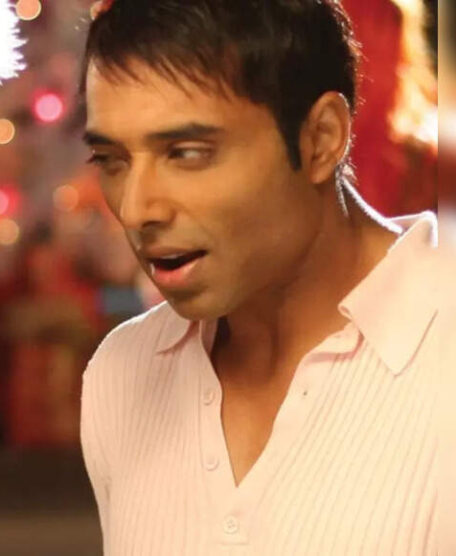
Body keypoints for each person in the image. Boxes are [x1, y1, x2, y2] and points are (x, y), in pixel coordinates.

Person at [79, 0, 449, 553]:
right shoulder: (121, 374)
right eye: (112, 160)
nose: (135, 210)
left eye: (186, 154)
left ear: (321, 138)